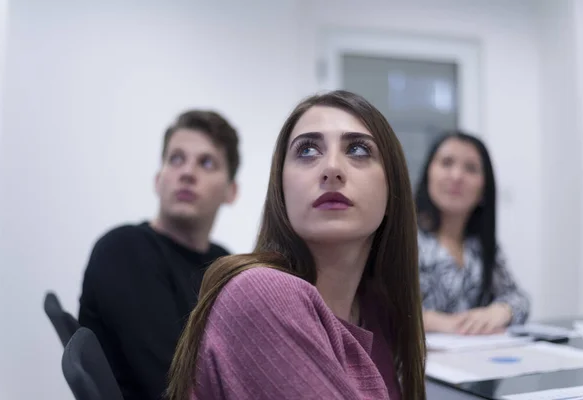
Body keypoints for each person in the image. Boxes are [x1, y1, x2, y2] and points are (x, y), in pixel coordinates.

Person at [167, 90, 426, 400]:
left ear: (392, 189)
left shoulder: (373, 307)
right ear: (281, 189)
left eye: (357, 149)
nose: (332, 168)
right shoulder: (261, 293)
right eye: (307, 150)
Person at [78, 110, 240, 400]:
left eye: (206, 162)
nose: (188, 173)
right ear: (158, 179)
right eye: (176, 159)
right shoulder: (124, 250)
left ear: (231, 191)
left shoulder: (222, 264)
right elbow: (173, 385)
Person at [415, 131, 530, 336]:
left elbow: (519, 298)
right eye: (446, 163)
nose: (457, 176)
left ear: (484, 188)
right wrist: (444, 323)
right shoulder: (402, 237)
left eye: (471, 168)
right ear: (428, 174)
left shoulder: (481, 245)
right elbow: (379, 310)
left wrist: (501, 311)